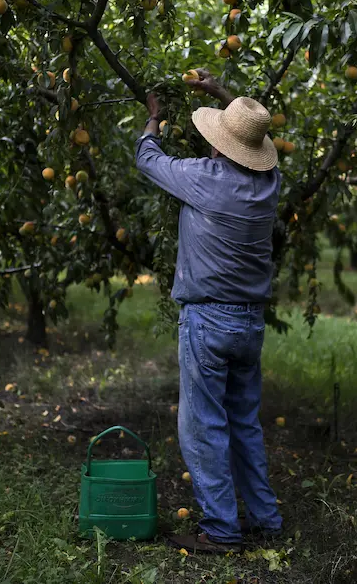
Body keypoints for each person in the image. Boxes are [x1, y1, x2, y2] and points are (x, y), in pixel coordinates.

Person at [134, 70, 283, 553]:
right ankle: (265, 519)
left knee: (203, 425)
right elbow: (256, 136)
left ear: (218, 144)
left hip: (209, 321)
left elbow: (148, 159)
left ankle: (220, 529)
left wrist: (154, 120)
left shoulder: (205, 180)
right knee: (243, 420)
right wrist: (225, 96)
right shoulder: (270, 185)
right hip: (249, 323)